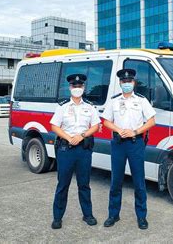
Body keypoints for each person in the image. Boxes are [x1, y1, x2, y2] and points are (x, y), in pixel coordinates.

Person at [101, 68, 156, 230]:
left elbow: (152, 121)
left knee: (139, 181)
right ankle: (113, 214)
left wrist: (135, 131)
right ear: (120, 83)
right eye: (124, 82)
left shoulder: (141, 100)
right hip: (118, 143)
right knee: (116, 181)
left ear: (134, 83)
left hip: (135, 143)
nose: (126, 84)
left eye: (129, 81)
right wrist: (118, 130)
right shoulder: (114, 100)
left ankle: (141, 216)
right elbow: (105, 121)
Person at [50, 73, 100, 230]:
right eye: (74, 86)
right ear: (70, 88)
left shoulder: (90, 107)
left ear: (83, 88)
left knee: (84, 184)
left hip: (83, 150)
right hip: (66, 149)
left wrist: (82, 136)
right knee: (63, 184)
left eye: (80, 86)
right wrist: (69, 137)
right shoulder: (62, 106)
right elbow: (54, 126)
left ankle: (88, 215)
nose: (77, 88)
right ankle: (57, 217)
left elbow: (96, 126)